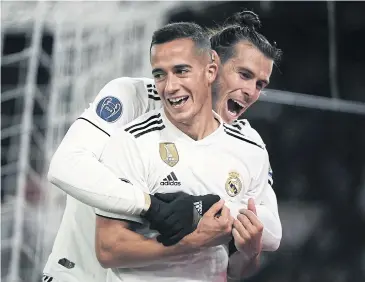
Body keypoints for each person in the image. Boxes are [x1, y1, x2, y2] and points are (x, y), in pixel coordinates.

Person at [43, 11, 281, 282]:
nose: (250, 92)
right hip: (80, 271)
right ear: (210, 64)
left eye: (260, 84)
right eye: (243, 75)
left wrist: (207, 207)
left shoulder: (243, 141)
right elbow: (65, 166)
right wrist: (153, 206)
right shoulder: (134, 98)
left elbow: (270, 227)